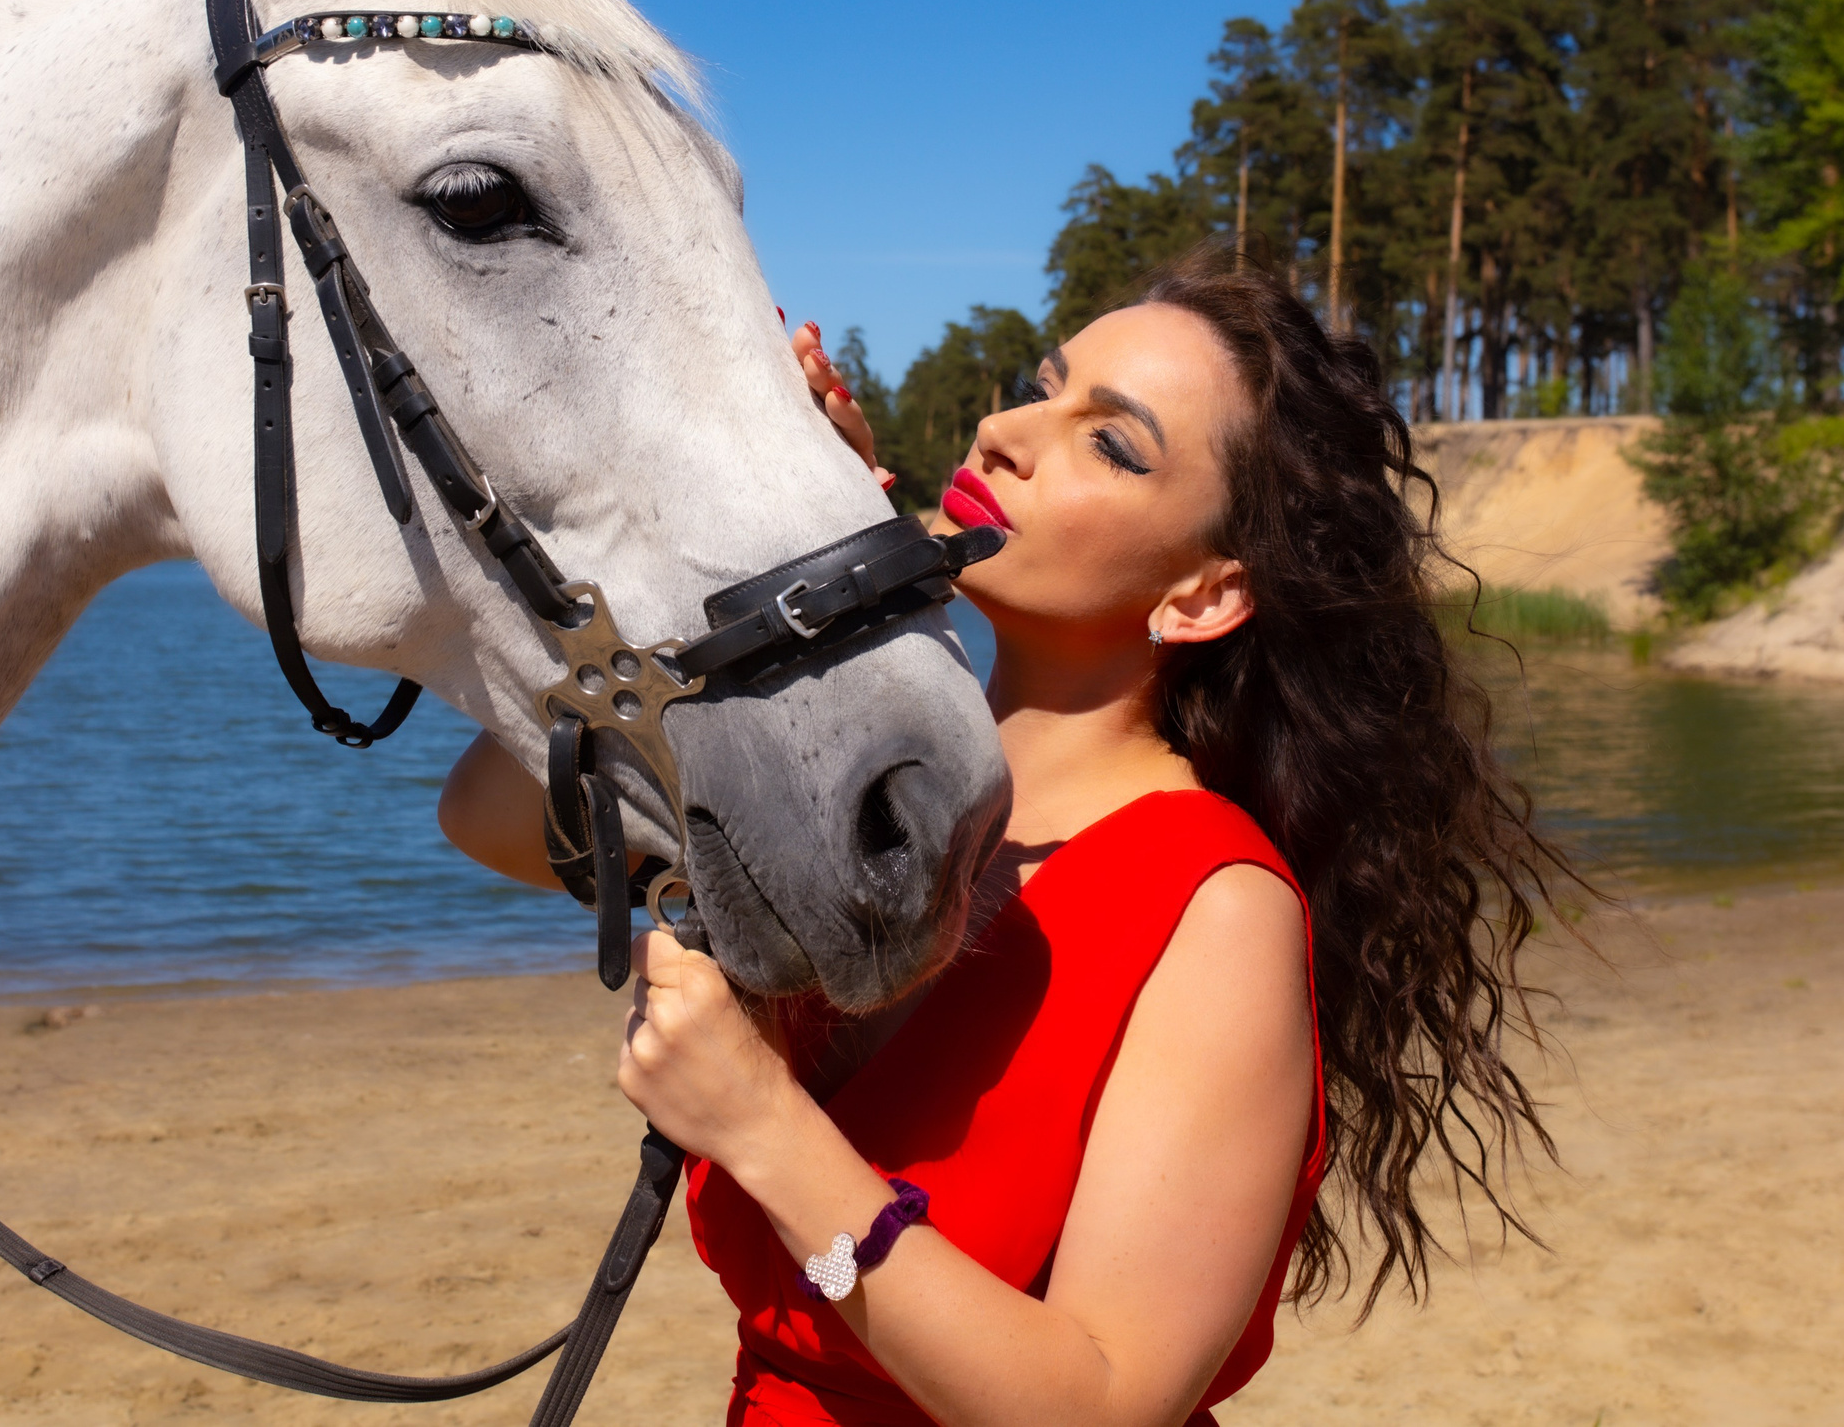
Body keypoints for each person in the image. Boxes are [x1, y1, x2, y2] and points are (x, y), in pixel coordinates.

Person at [440, 244, 1572, 1427]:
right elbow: (490, 815)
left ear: (1203, 595)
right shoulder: (865, 799)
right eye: (1041, 384)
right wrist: (772, 561)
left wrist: (762, 1131)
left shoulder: (1213, 903)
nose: (1003, 431)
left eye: (1110, 441)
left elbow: (1104, 1401)